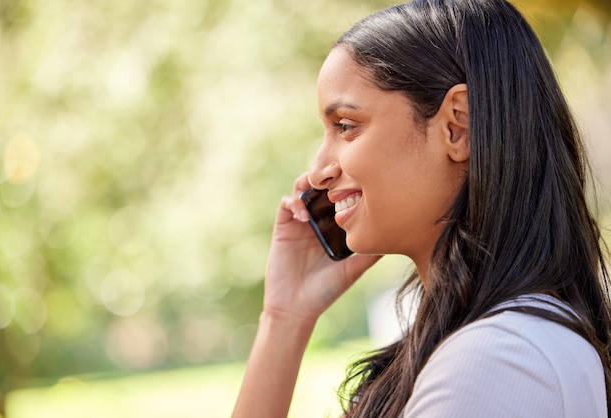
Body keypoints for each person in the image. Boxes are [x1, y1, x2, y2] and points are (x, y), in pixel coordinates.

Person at [232, 0, 611, 417]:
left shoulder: (496, 362)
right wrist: (285, 316)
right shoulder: (509, 342)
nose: (318, 171)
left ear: (457, 125)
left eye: (345, 126)